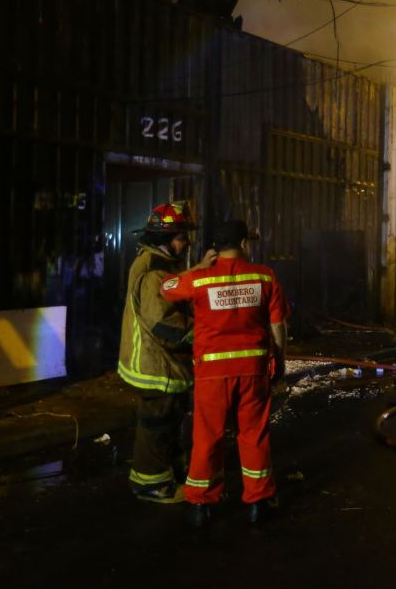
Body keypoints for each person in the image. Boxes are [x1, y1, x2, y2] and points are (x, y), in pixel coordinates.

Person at [161, 220, 289, 526]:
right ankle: (258, 501)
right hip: (253, 370)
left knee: (207, 437)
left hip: (211, 373)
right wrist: (279, 359)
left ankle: (199, 506)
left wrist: (196, 267)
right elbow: (277, 326)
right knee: (254, 434)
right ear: (244, 244)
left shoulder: (201, 279)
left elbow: (166, 288)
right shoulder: (264, 276)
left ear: (215, 248)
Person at [118, 202, 213, 503]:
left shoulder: (158, 263)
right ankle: (151, 485)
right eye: (181, 237)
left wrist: (199, 269)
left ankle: (167, 474)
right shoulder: (153, 271)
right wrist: (206, 335)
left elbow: (177, 284)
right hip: (155, 364)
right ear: (165, 238)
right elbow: (163, 323)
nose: (186, 243)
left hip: (163, 364)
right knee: (156, 424)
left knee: (168, 420)